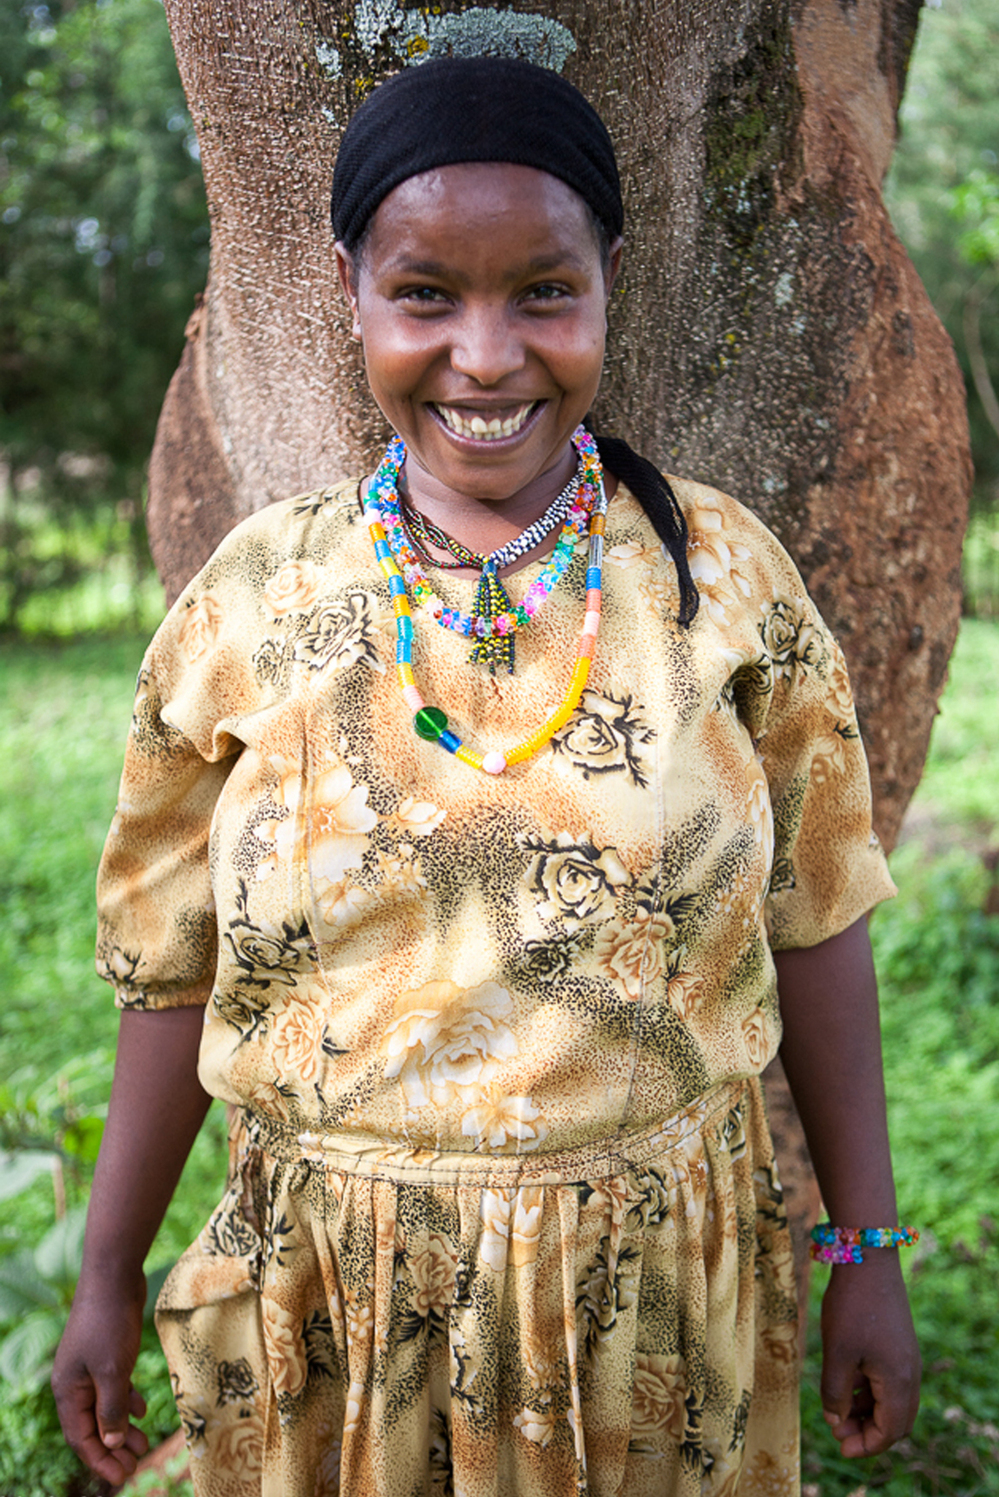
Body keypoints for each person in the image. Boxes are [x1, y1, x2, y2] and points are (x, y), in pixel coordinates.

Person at [53, 55, 920, 1497]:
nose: (486, 354)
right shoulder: (251, 605)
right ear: (351, 290)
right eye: (425, 295)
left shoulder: (722, 581)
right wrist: (105, 1267)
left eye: (541, 292)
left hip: (652, 1309)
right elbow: (170, 969)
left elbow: (819, 920)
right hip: (332, 1301)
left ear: (608, 282)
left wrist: (866, 1251)